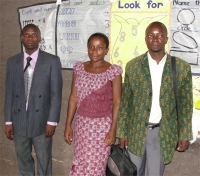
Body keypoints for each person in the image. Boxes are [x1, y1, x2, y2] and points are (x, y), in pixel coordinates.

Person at [117, 21, 193, 176]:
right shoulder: (133, 66)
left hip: (162, 133)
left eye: (159, 35)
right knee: (132, 172)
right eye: (151, 35)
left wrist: (184, 134)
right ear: (146, 39)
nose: (155, 39)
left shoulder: (181, 67)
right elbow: (126, 103)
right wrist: (122, 132)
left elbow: (186, 105)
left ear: (166, 38)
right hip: (135, 132)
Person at [4, 24, 63, 175]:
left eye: (34, 35)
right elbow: (9, 93)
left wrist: (52, 121)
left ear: (40, 39)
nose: (30, 38)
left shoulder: (51, 61)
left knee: (44, 160)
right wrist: (8, 122)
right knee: (23, 160)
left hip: (42, 122)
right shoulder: (12, 62)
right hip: (19, 121)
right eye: (27, 35)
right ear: (21, 38)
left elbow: (56, 94)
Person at [64, 32, 122, 175]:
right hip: (82, 125)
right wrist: (68, 125)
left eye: (99, 48)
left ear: (107, 50)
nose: (94, 51)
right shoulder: (79, 69)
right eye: (91, 47)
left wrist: (113, 129)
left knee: (95, 168)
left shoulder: (113, 72)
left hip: (101, 128)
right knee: (80, 164)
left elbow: (117, 102)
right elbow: (73, 97)